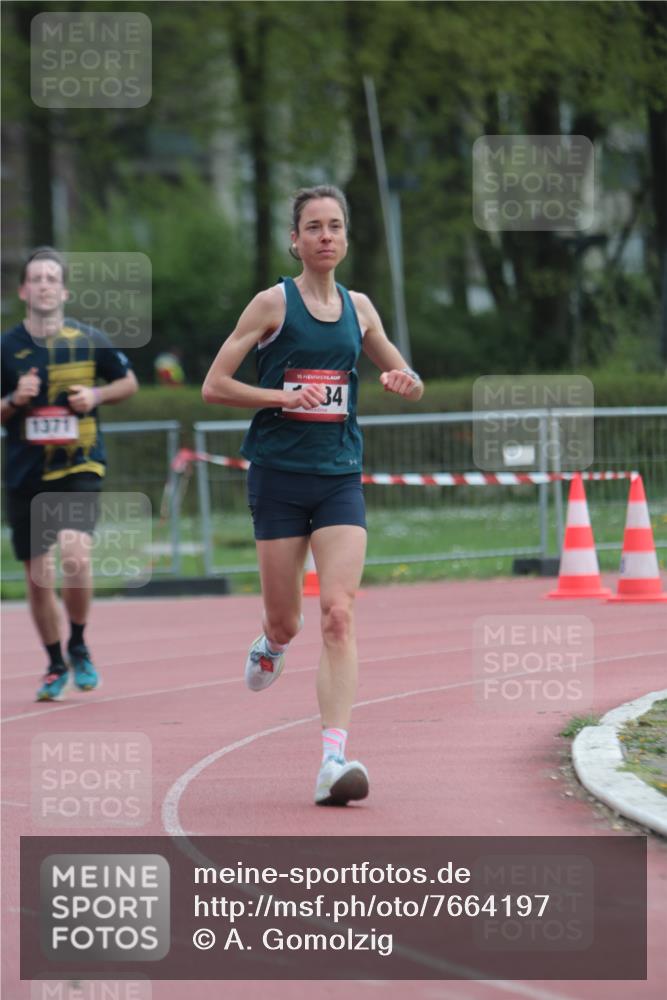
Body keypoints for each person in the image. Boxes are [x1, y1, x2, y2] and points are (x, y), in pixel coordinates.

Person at [202, 185, 424, 806]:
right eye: (313, 227)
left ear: (346, 238)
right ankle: (270, 644)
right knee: (287, 619)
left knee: (338, 612)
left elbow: (406, 375)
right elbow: (214, 385)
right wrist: (279, 397)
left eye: (335, 226)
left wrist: (403, 380)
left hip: (338, 477)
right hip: (277, 476)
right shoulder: (271, 304)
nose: (326, 236)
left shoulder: (362, 308)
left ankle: (333, 757)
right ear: (294, 240)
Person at [1, 247, 139, 701]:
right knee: (39, 575)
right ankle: (54, 662)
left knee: (76, 557)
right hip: (25, 472)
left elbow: (128, 383)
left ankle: (78, 643)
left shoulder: (88, 338)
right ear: (23, 290)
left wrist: (95, 397)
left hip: (79, 464)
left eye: (51, 278)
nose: (43, 285)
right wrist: (14, 401)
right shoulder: (6, 347)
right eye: (35, 278)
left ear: (64, 290)